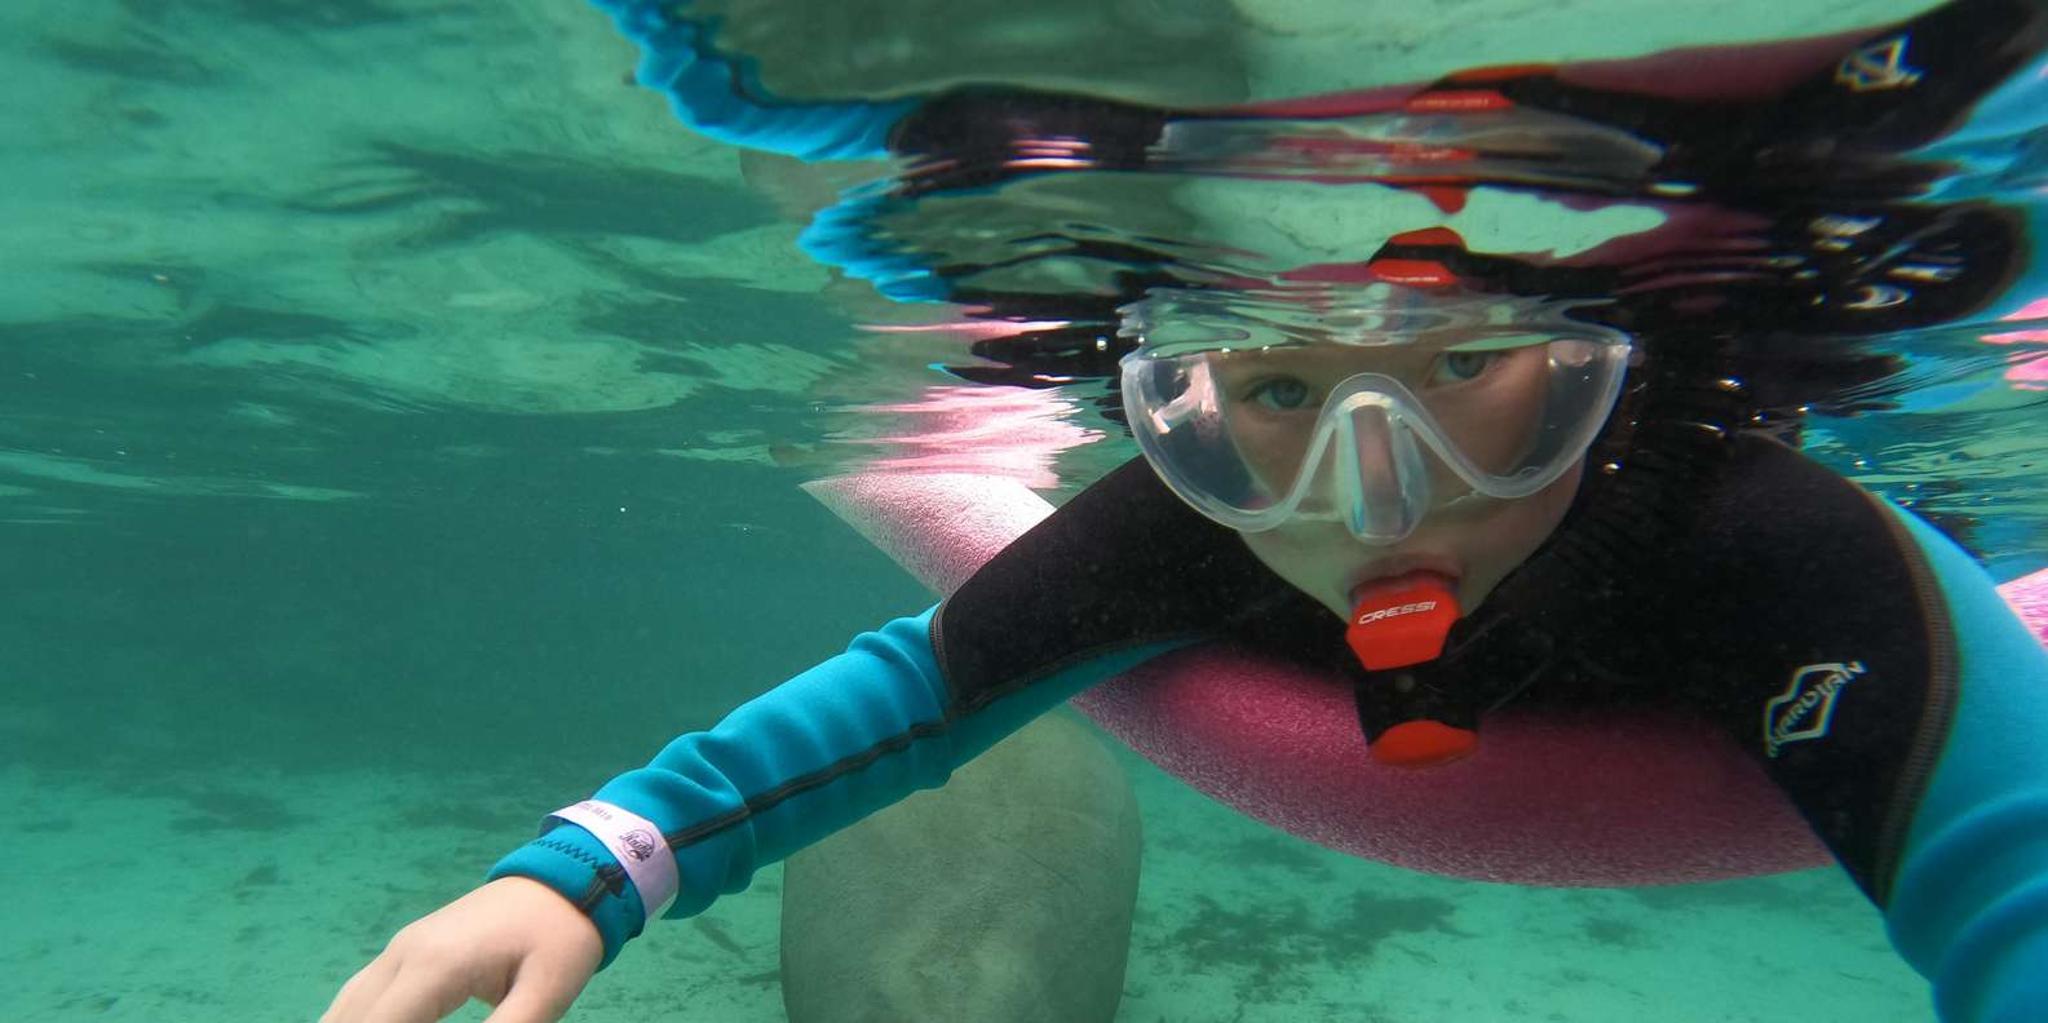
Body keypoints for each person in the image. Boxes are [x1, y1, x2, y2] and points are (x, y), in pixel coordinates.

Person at [324, 2, 2048, 1019]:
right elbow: (913, 693)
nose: (1376, 494)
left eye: (1470, 381)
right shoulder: (1193, 524)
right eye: (1277, 399)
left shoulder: (1776, 546)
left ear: (1605, 373)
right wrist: (591, 872)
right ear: (1176, 403)